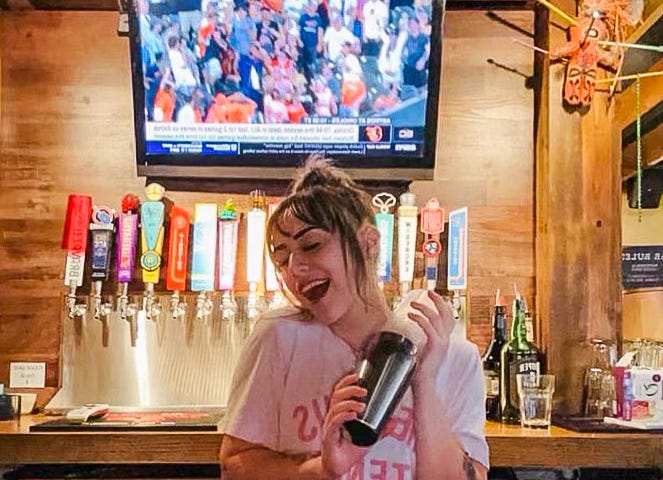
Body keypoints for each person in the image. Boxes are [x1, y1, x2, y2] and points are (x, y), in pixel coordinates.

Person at [219, 157, 489, 480]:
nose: (294, 268)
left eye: (312, 245)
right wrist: (322, 469)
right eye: (282, 258)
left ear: (368, 243)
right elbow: (234, 466)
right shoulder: (276, 339)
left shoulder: (452, 355)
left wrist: (424, 382)